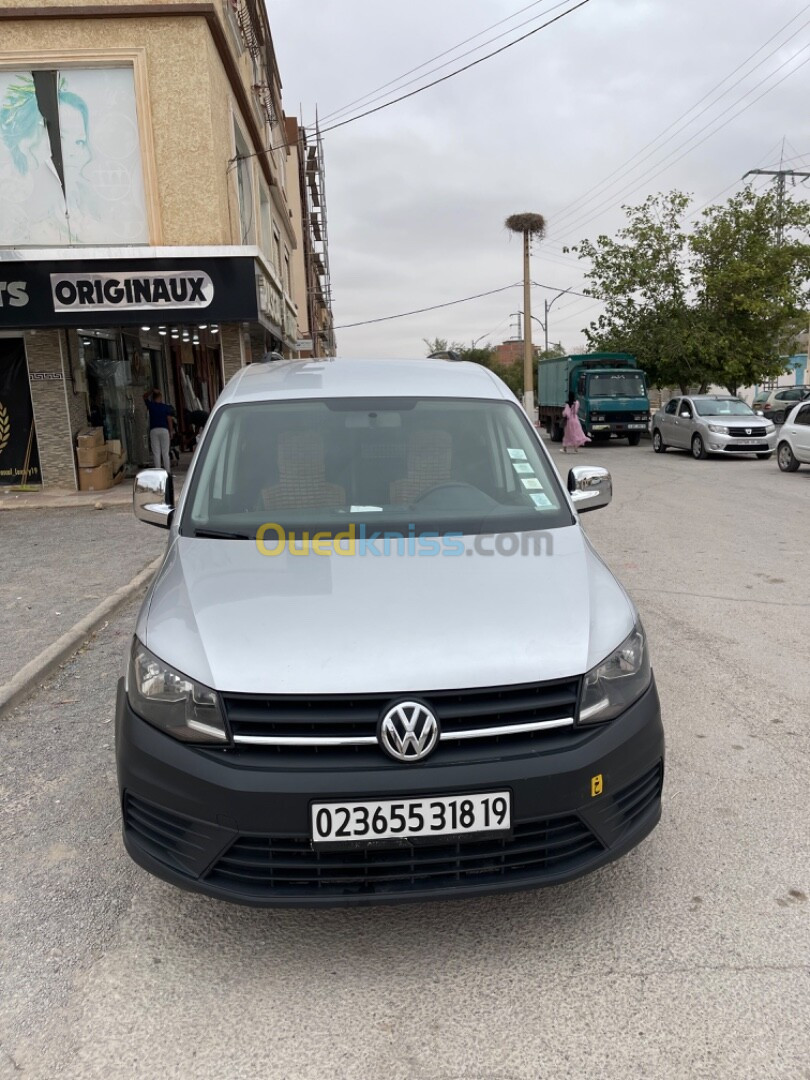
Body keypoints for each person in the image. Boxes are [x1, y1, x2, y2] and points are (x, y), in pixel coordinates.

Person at [143, 389, 175, 472]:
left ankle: (158, 472)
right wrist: (171, 431)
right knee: (165, 453)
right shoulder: (165, 407)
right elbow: (169, 420)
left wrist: (151, 390)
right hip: (164, 430)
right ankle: (168, 472)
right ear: (160, 397)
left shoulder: (151, 406)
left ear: (153, 398)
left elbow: (144, 396)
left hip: (154, 430)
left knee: (156, 453)